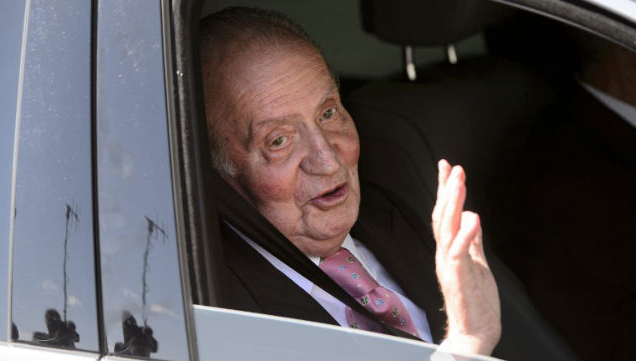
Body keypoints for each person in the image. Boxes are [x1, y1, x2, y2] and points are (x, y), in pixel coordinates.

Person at [200, 7, 500, 356]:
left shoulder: (390, 215)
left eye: (328, 113)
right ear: (219, 176)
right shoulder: (216, 317)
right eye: (278, 140)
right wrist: (466, 345)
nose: (328, 160)